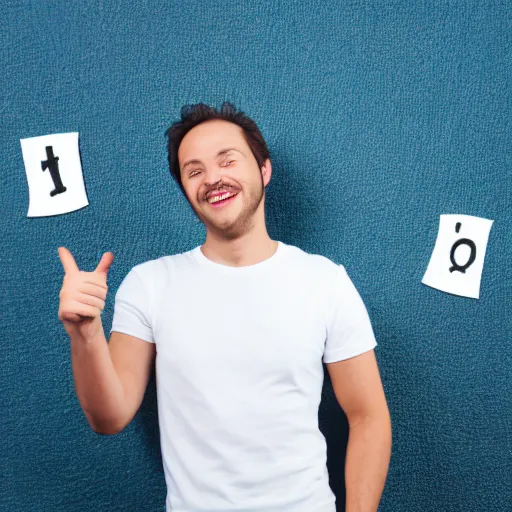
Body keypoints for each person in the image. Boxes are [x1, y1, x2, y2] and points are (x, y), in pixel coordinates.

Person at [58, 102, 392, 512]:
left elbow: (368, 415)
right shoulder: (149, 285)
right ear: (185, 190)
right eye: (194, 171)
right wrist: (86, 335)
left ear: (264, 170)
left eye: (227, 160)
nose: (212, 178)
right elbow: (108, 418)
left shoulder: (325, 282)